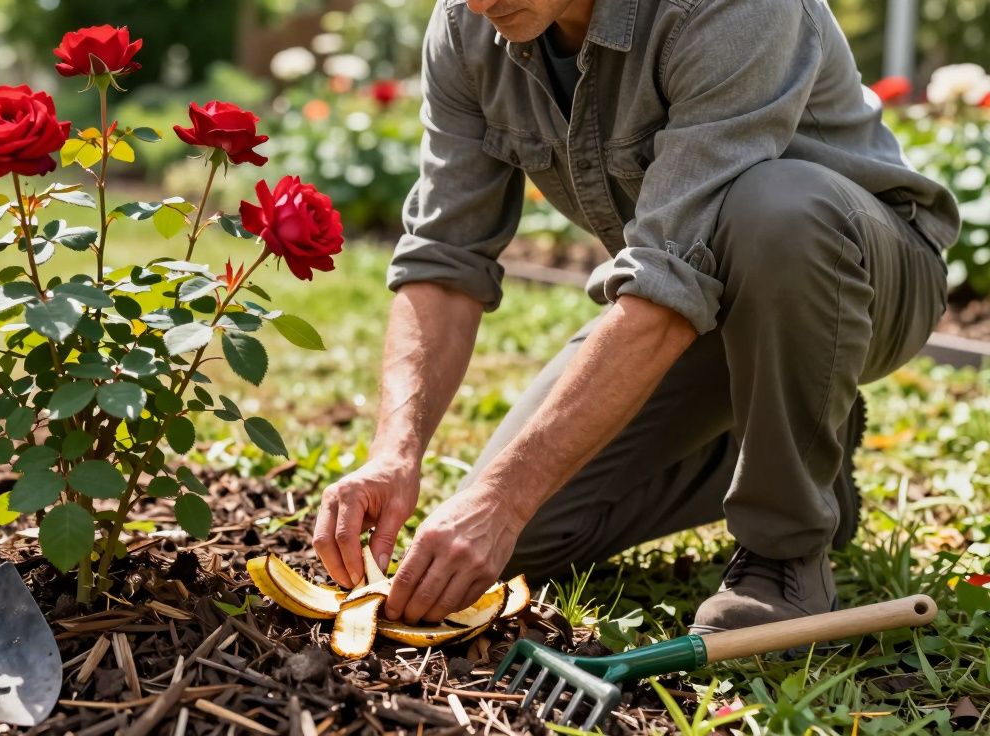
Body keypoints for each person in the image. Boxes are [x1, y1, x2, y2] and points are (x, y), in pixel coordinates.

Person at [312, 0, 959, 634]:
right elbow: (444, 259)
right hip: (694, 295)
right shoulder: (465, 25)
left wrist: (503, 496)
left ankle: (784, 552)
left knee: (778, 203)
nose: (479, 3)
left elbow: (665, 280)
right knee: (524, 536)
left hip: (862, 282)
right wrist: (394, 455)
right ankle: (790, 443)